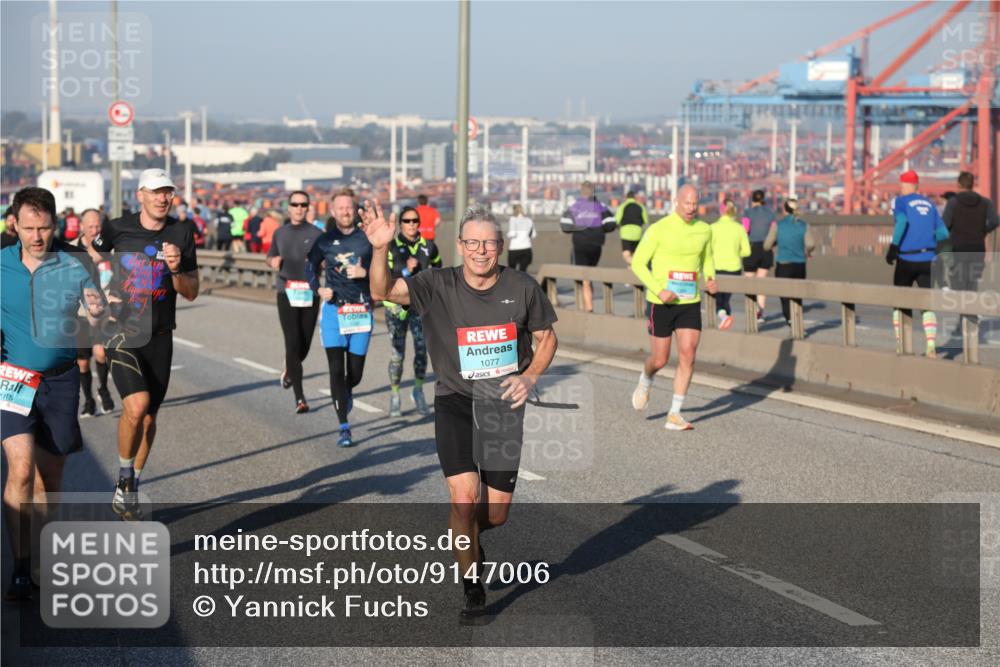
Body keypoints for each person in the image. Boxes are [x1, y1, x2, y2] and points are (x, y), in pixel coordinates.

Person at [364, 200, 558, 624]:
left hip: (502, 408)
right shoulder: (437, 284)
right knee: (464, 498)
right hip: (455, 402)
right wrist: (380, 249)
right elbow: (382, 292)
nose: (480, 251)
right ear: (459, 245)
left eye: (488, 243)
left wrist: (529, 377)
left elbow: (547, 338)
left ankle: (464, 533)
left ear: (501, 246)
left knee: (496, 515)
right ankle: (472, 587)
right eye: (472, 243)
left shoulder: (522, 287)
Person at [1, 186, 106, 601]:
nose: (37, 237)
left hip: (61, 381)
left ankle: (42, 559)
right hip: (13, 379)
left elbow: (98, 312)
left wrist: (98, 312)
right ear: (14, 224)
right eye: (29, 228)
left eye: (44, 228)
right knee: (20, 469)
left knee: (51, 477)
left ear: (55, 224)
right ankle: (20, 567)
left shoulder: (74, 262)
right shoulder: (2, 263)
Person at [93, 168, 200, 519]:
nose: (162, 198)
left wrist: (176, 269)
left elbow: (191, 291)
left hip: (160, 336)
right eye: (155, 191)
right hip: (121, 331)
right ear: (140, 195)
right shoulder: (117, 227)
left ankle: (132, 485)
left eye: (167, 191)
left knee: (149, 419)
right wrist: (97, 294)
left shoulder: (182, 233)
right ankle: (124, 480)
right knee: (136, 407)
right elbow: (90, 259)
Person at [630, 185, 717, 431]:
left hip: (689, 301)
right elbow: (638, 263)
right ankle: (646, 379)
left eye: (695, 204)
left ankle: (675, 414)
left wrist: (710, 277)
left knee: (688, 353)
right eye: (686, 203)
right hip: (661, 303)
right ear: (676, 202)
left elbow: (707, 258)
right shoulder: (659, 229)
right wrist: (659, 290)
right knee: (660, 359)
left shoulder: (705, 229)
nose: (691, 208)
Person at [306, 188, 373, 448]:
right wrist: (318, 290)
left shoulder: (366, 238)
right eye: (340, 207)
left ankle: (347, 392)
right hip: (334, 311)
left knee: (354, 375)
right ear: (333, 211)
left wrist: (365, 273)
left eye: (349, 207)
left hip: (360, 311)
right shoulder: (324, 241)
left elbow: (386, 269)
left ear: (354, 210)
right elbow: (309, 267)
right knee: (336, 369)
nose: (345, 211)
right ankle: (344, 426)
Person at [268, 191, 323, 413]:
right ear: (289, 207)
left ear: (308, 208)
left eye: (303, 205)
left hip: (310, 292)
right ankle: (300, 398)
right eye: (295, 204)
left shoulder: (317, 234)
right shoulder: (280, 233)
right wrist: (273, 261)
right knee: (292, 342)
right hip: (286, 292)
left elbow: (327, 260)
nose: (299, 208)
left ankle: (290, 368)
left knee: (304, 344)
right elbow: (270, 256)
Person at [384, 206, 442, 417]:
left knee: (421, 351)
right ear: (400, 224)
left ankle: (418, 391)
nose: (411, 224)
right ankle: (395, 394)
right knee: (397, 355)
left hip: (419, 307)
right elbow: (384, 277)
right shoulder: (391, 246)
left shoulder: (429, 246)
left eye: (415, 221)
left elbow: (438, 272)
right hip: (395, 307)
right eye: (407, 221)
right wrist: (405, 270)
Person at [886, 170, 949, 358]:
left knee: (900, 303)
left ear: (904, 185)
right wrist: (931, 244)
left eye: (901, 184)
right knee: (927, 305)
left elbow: (902, 221)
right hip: (928, 260)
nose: (901, 187)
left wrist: (893, 247)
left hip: (906, 260)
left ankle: (901, 344)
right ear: (917, 185)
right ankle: (931, 344)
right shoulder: (930, 204)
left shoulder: (900, 201)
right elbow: (943, 233)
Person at [71, 208, 115, 417]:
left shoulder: (110, 248)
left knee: (101, 353)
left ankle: (103, 390)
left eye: (98, 226)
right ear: (82, 227)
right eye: (90, 227)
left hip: (103, 310)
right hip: (80, 313)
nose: (95, 230)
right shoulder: (70, 249)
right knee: (82, 362)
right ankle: (88, 401)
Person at [559, 180, 616, 312]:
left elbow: (565, 226)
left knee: (585, 277)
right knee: (589, 274)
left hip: (580, 244)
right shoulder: (600, 206)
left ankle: (588, 308)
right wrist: (600, 230)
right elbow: (611, 224)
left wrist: (577, 228)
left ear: (581, 191)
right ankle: (587, 304)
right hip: (596, 245)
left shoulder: (575, 206)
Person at [943, 171, 999, 292]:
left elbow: (945, 225)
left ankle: (962, 305)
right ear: (972, 184)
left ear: (958, 184)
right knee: (972, 284)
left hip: (958, 249)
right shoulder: (986, 202)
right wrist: (984, 230)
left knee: (958, 285)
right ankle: (971, 304)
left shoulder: (953, 202)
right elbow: (995, 220)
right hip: (977, 248)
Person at [764, 198, 815, 327]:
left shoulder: (778, 225)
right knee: (798, 295)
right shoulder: (804, 225)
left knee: (784, 295)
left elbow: (766, 245)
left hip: (783, 265)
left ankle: (790, 320)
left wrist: (776, 242)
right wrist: (807, 252)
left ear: (785, 210)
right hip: (800, 265)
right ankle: (797, 320)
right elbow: (810, 244)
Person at [710, 198, 750, 330]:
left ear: (721, 211)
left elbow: (708, 250)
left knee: (718, 297)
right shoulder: (739, 228)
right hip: (734, 268)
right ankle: (725, 316)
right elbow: (747, 251)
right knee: (726, 298)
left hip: (716, 267)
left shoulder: (713, 228)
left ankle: (723, 316)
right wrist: (735, 253)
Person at [742, 189, 777, 322]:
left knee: (749, 283)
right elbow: (774, 232)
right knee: (761, 282)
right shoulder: (771, 214)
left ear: (752, 200)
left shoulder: (747, 213)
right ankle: (760, 312)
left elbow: (745, 230)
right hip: (766, 249)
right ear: (763, 199)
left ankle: (751, 311)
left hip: (751, 248)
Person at [616, 190, 649, 265]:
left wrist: (617, 227)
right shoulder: (641, 206)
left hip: (625, 232)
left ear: (626, 197)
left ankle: (634, 264)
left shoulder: (623, 206)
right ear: (635, 198)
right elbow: (646, 221)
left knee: (626, 254)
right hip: (637, 232)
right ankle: (632, 267)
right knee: (634, 253)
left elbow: (617, 220)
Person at [505, 203, 536, 272]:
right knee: (523, 271)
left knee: (512, 272)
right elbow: (533, 235)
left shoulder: (513, 219)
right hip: (527, 248)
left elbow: (512, 233)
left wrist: (507, 235)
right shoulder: (529, 220)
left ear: (514, 210)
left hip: (514, 249)